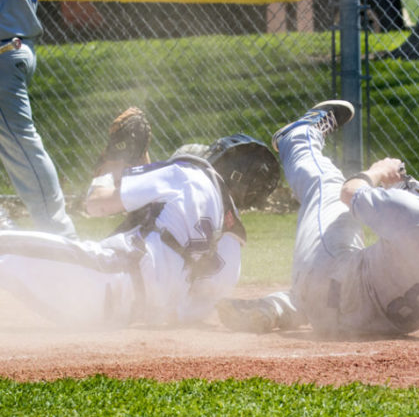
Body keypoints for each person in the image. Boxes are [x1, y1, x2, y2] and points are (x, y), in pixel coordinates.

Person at [216, 100, 419, 339]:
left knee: (330, 185)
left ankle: (298, 138)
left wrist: (378, 172)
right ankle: (278, 308)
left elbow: (350, 193)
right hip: (349, 325)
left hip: (324, 284)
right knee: (357, 266)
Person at [0, 109, 278, 328]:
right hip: (114, 317)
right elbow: (186, 312)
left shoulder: (191, 174)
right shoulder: (232, 248)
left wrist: (113, 162)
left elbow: (97, 204)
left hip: (102, 274)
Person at [0, 0, 76, 238]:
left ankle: (61, 235)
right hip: (18, 47)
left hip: (3, 53)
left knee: (21, 147)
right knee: (19, 144)